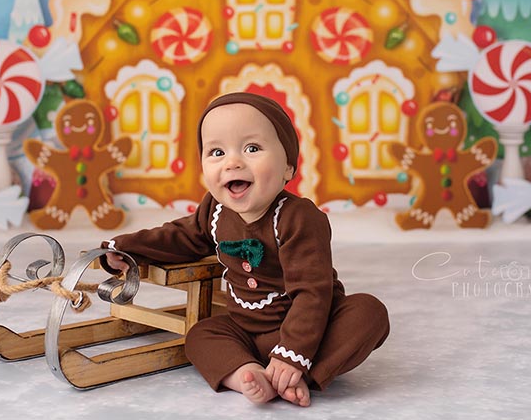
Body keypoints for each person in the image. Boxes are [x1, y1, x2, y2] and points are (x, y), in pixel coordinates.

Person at [100, 92, 389, 407]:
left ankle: (299, 373)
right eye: (217, 151)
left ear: (288, 167)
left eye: (252, 148)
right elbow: (180, 237)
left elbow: (312, 293)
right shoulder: (214, 210)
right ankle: (247, 373)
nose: (233, 162)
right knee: (200, 335)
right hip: (245, 330)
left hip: (311, 329)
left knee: (369, 313)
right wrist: (127, 248)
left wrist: (294, 353)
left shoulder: (299, 218)